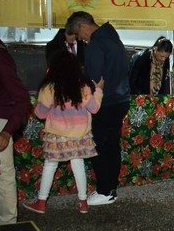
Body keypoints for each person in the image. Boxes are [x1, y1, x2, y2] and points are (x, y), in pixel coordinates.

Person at [22, 50, 102, 214]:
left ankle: (41, 203)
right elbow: (94, 109)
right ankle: (83, 203)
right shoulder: (83, 86)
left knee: (50, 165)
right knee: (78, 164)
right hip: (79, 135)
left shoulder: (49, 88)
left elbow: (40, 114)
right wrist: (99, 91)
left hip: (57, 135)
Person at [65, 11, 130, 206]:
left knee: (100, 147)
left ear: (82, 26)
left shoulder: (96, 45)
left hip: (105, 102)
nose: (80, 39)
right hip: (121, 99)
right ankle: (110, 189)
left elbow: (93, 78)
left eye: (78, 34)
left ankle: (104, 190)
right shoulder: (113, 37)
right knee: (112, 146)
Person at [0, 33, 30, 225]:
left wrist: (7, 131)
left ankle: (8, 225)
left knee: (2, 174)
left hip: (0, 120)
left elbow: (22, 98)